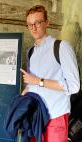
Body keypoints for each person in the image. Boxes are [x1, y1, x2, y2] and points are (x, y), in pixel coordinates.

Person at [20, 5, 80, 142]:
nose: (33, 28)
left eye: (38, 23)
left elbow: (74, 86)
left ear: (47, 23)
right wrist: (24, 93)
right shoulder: (31, 52)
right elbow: (32, 83)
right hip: (36, 115)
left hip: (56, 115)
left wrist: (38, 81)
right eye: (30, 24)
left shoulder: (61, 47)